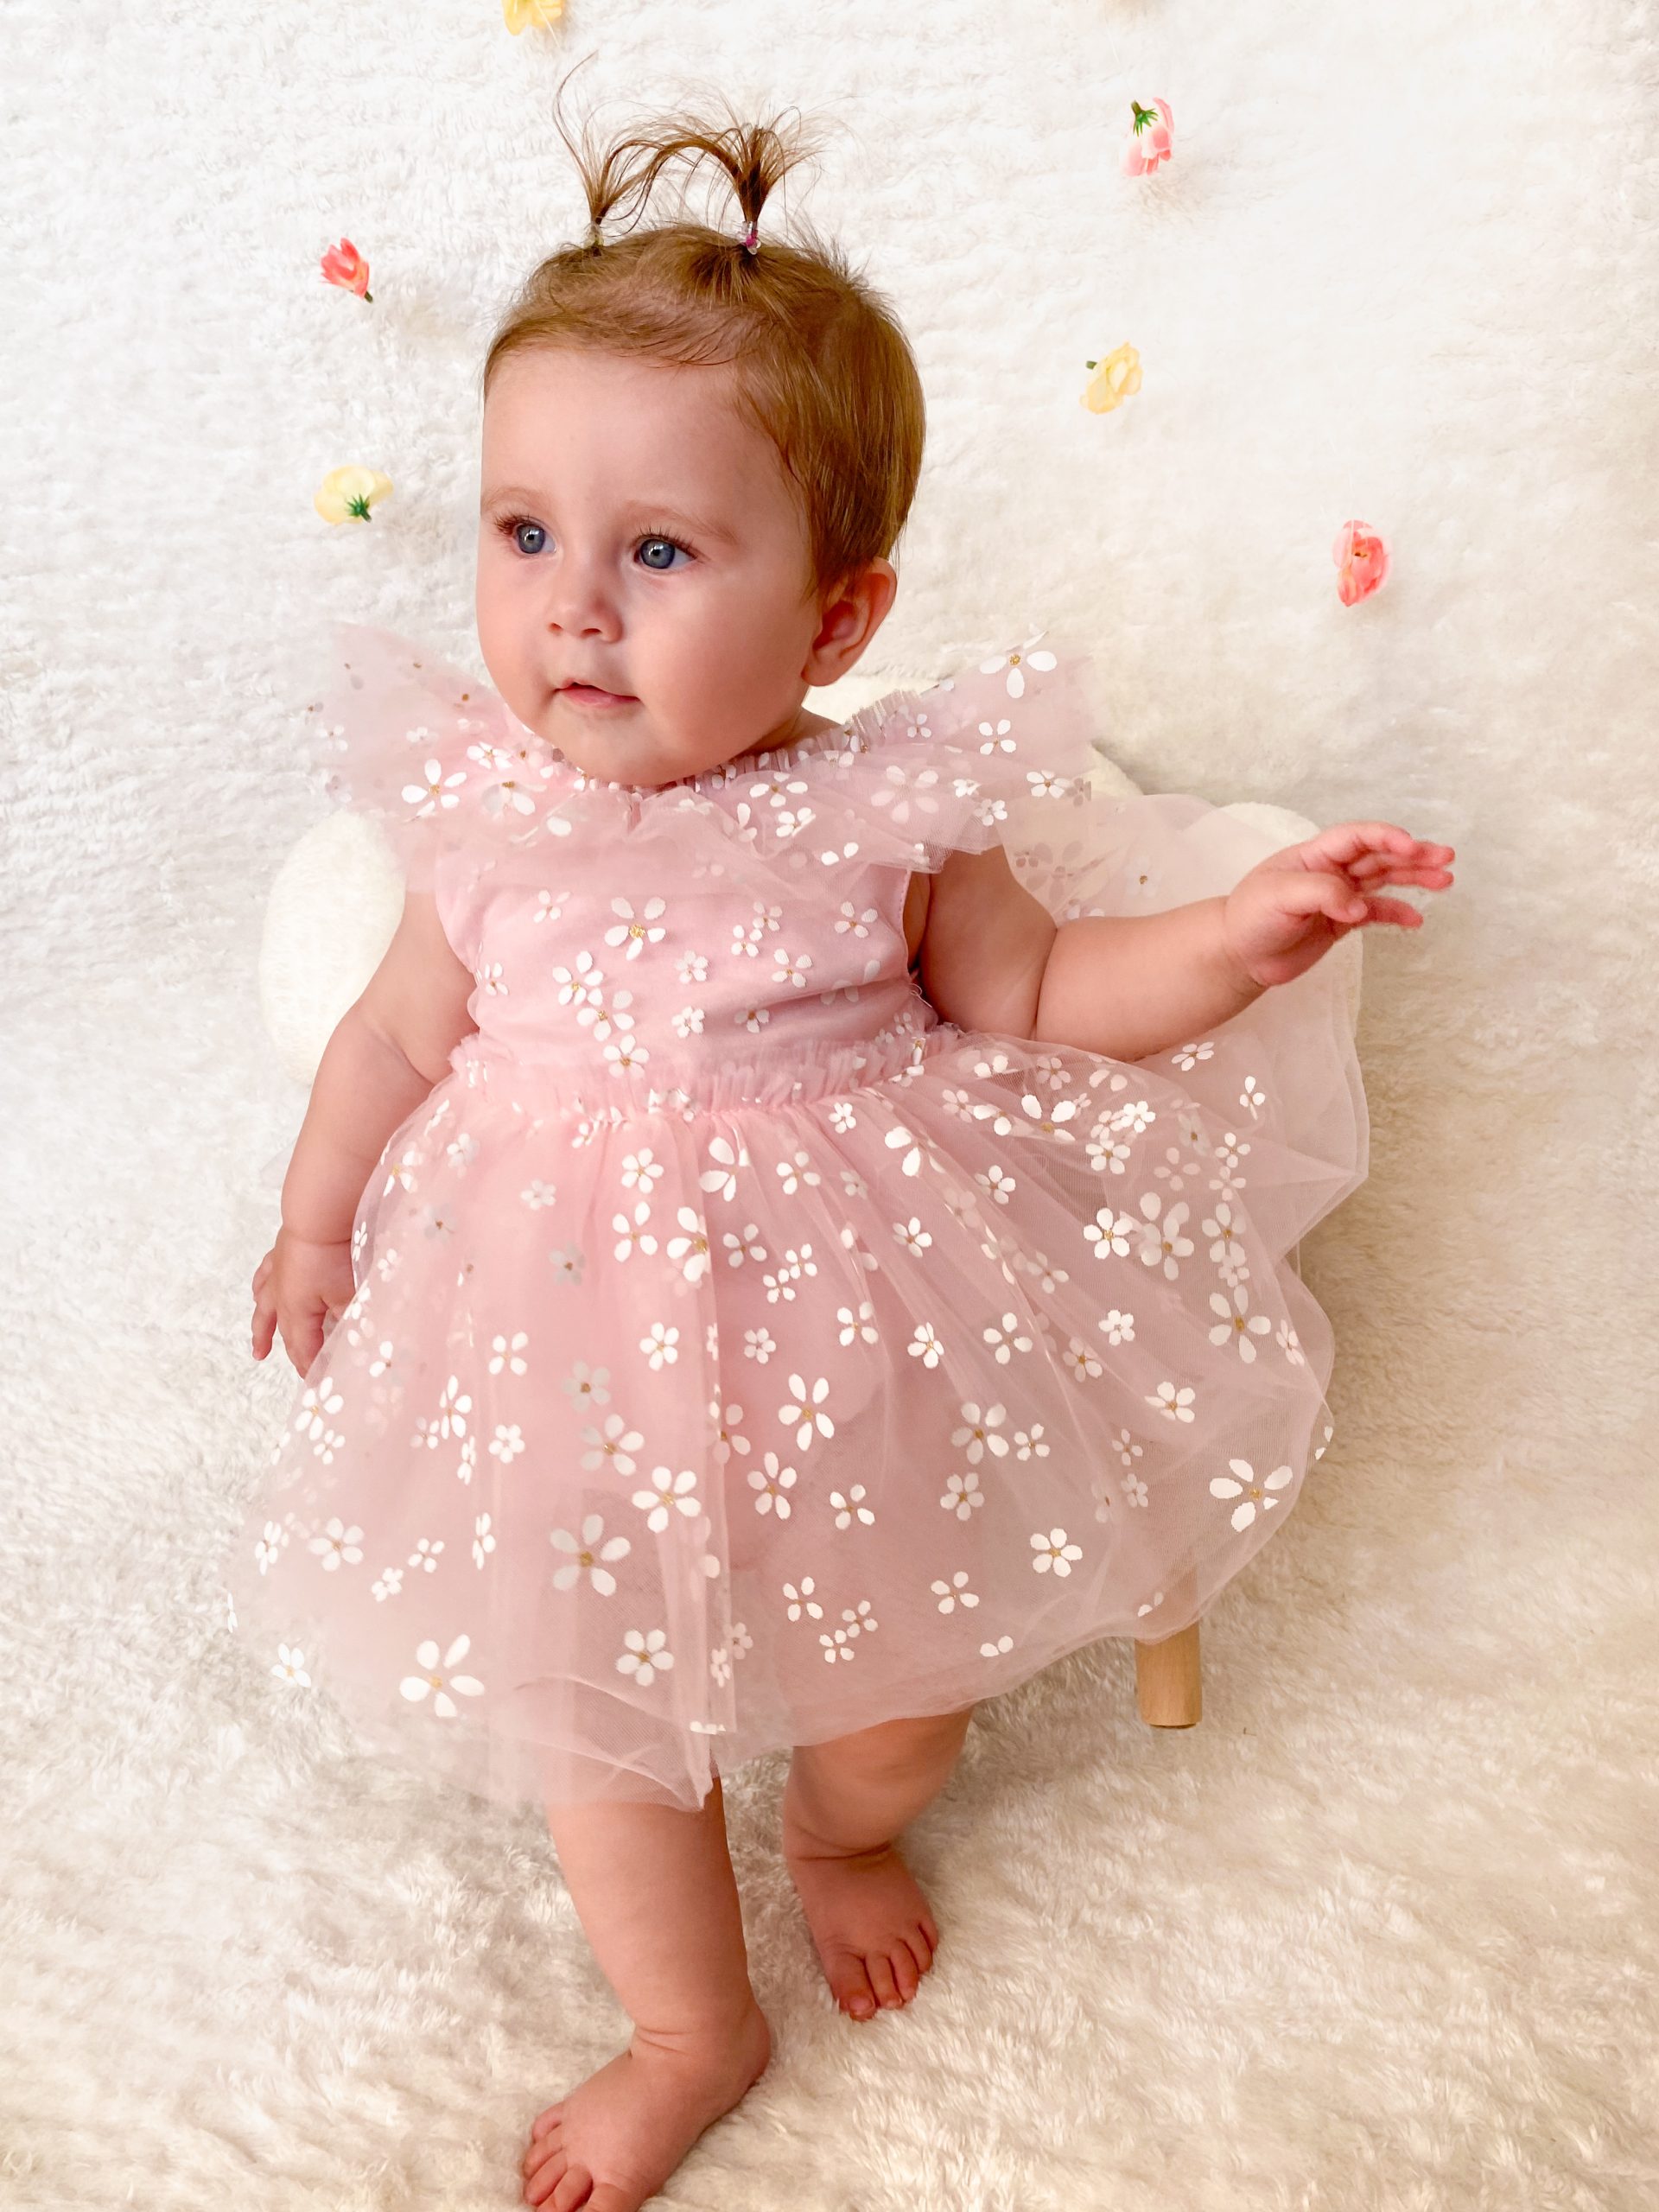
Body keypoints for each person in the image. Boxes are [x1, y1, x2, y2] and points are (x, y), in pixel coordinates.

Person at [227, 78, 1452, 2212]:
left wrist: (1241, 937)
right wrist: (317, 1219)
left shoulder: (889, 812)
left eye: (659, 552)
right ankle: (690, 2022)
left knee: (898, 1697)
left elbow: (1045, 992)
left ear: (836, 616)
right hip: (565, 1363)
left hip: (853, 1351)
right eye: (524, 534)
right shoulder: (489, 820)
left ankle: (841, 1823)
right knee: (603, 1721)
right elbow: (397, 1032)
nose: (574, 608)